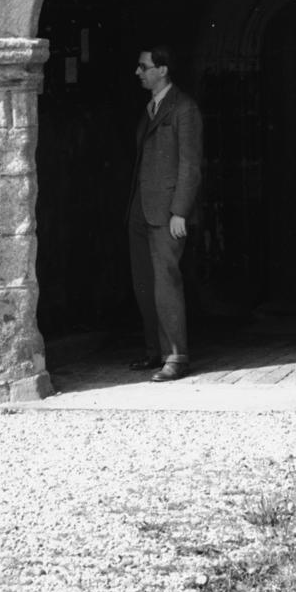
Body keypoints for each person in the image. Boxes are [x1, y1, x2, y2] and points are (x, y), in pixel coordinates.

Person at [127, 46, 202, 381]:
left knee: (165, 283)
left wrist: (180, 212)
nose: (138, 72)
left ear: (163, 70)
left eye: (144, 67)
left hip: (167, 212)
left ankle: (176, 357)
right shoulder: (151, 108)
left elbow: (190, 164)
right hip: (141, 210)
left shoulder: (184, 108)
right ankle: (154, 352)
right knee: (145, 282)